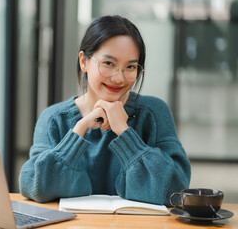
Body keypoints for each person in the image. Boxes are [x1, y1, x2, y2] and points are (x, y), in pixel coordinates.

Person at [19, 15, 191, 206]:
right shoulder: (53, 119)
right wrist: (80, 129)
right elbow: (33, 185)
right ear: (83, 62)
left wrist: (125, 133)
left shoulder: (154, 113)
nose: (119, 78)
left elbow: (177, 190)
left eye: (130, 67)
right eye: (109, 63)